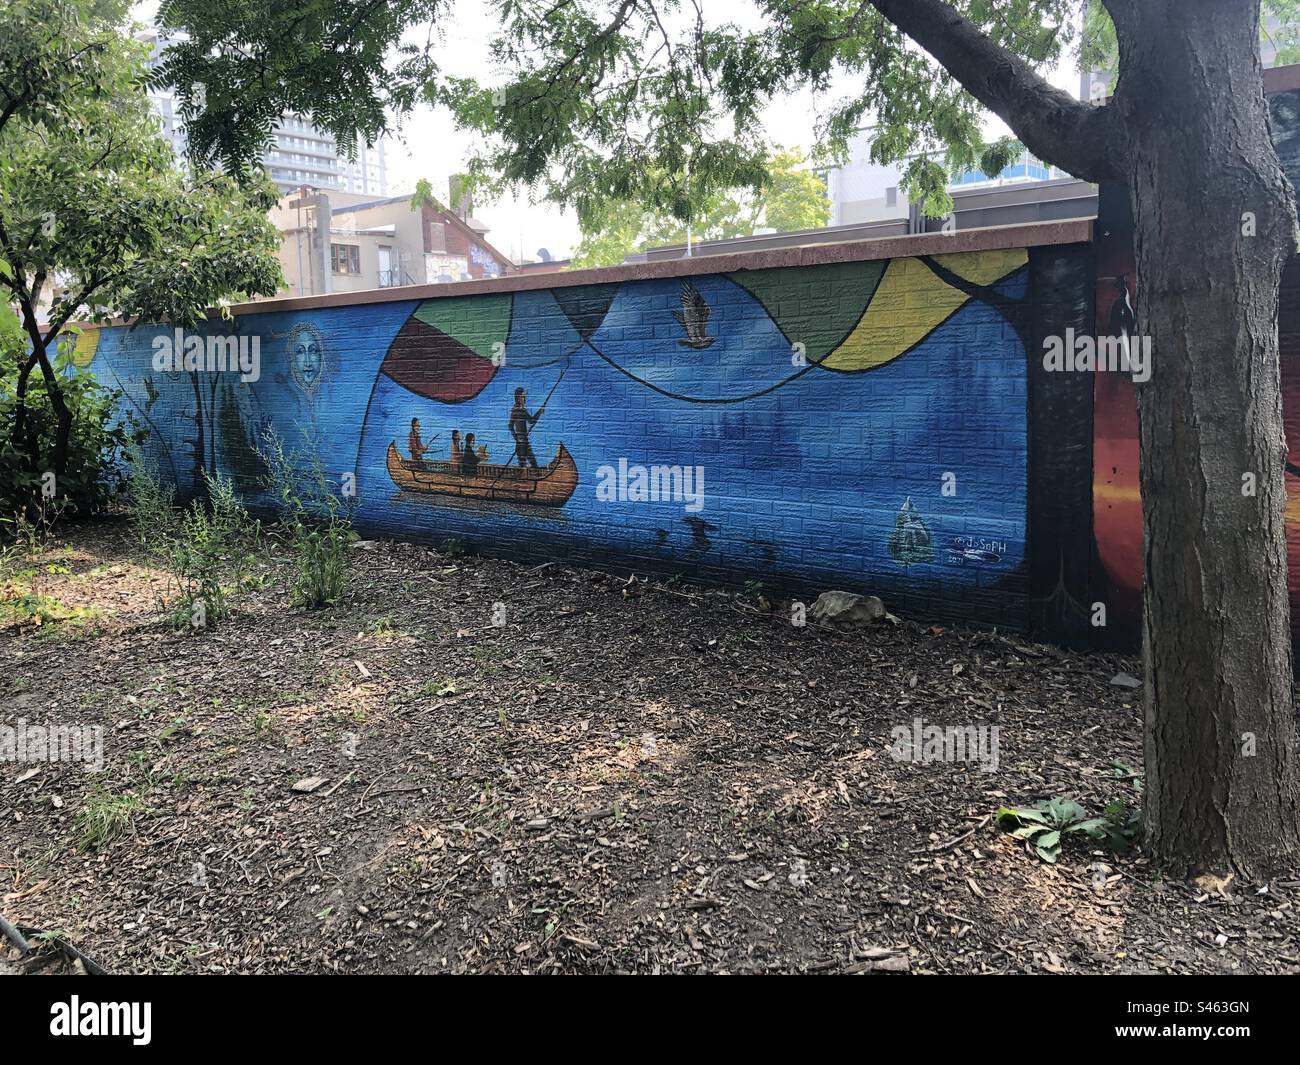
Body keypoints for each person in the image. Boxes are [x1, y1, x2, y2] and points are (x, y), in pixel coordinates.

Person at [508, 387, 543, 469]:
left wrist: (539, 412)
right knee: (526, 465)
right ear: (518, 398)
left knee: (530, 463)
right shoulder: (517, 410)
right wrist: (517, 438)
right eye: (523, 397)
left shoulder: (521, 410)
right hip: (521, 443)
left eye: (525, 397)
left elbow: (532, 421)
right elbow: (510, 426)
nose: (525, 399)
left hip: (524, 442)